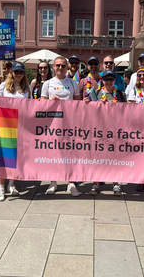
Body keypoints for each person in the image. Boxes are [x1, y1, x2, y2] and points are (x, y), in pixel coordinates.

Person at [40, 56, 82, 196]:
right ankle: (53, 182)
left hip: (70, 124)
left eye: (63, 66)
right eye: (57, 65)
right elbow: (41, 104)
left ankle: (71, 183)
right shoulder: (47, 84)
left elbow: (77, 104)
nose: (60, 68)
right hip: (53, 124)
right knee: (54, 153)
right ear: (53, 67)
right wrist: (51, 101)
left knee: (70, 153)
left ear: (67, 67)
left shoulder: (73, 83)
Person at [0, 62, 31, 202]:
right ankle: (1, 188)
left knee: (16, 156)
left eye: (21, 72)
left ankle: (12, 184)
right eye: (16, 72)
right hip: (5, 125)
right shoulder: (4, 86)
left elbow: (30, 106)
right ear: (12, 73)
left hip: (21, 126)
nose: (18, 74)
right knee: (3, 156)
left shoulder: (26, 88)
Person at [88, 70, 126, 196]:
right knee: (98, 158)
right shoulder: (95, 93)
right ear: (102, 80)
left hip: (115, 132)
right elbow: (86, 109)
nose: (109, 82)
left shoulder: (121, 94)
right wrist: (88, 102)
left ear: (114, 81)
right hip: (99, 132)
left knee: (115, 158)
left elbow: (127, 112)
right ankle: (96, 183)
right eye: (106, 79)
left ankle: (116, 184)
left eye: (111, 79)